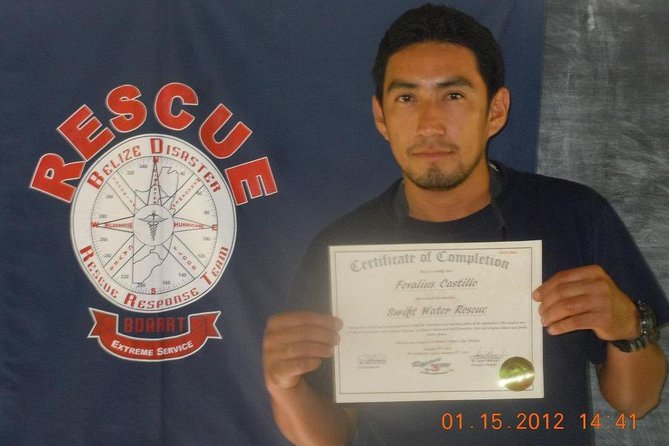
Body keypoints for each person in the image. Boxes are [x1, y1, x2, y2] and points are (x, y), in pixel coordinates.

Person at [262, 4, 668, 445]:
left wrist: (629, 328)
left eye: (453, 96)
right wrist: (284, 385)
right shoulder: (342, 250)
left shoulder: (574, 215)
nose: (430, 124)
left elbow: (636, 403)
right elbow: (328, 438)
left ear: (495, 110)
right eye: (407, 98)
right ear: (381, 116)